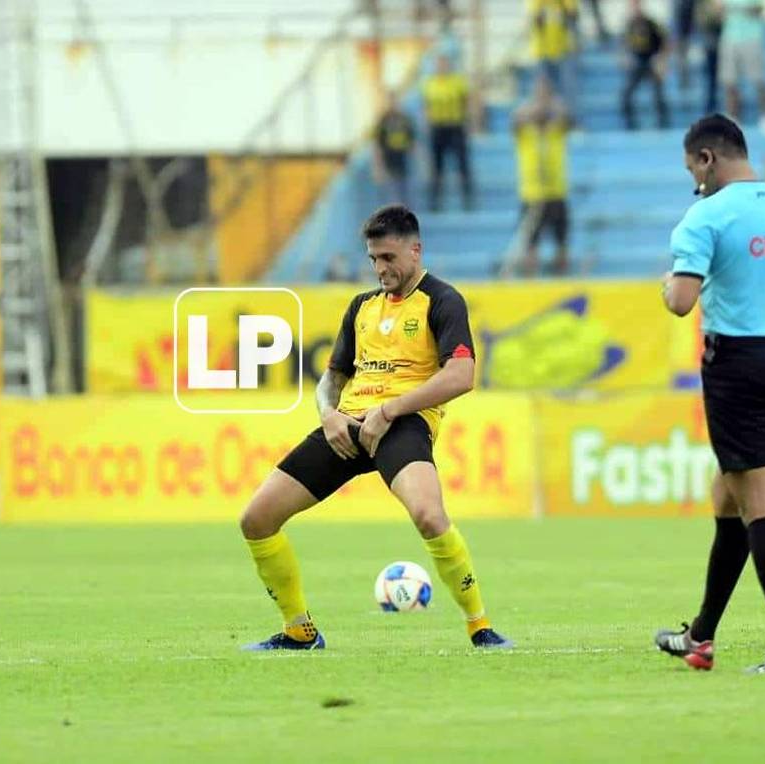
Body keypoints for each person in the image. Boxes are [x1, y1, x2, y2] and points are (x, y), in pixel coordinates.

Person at [239, 204, 513, 651]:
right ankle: (298, 630)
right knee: (256, 519)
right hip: (348, 426)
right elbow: (332, 378)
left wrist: (390, 411)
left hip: (403, 424)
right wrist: (328, 413)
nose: (380, 268)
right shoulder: (361, 307)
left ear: (415, 250)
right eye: (373, 259)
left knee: (429, 515)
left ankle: (479, 626)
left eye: (388, 258)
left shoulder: (443, 301)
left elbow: (461, 375)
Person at [655, 115, 765, 675]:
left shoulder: (706, 216)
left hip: (737, 364)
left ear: (707, 158)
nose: (693, 184)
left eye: (692, 171)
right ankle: (701, 637)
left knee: (757, 498)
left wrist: (666, 284)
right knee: (728, 494)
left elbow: (680, 301)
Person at [514, 74, 572, 276]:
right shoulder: (525, 130)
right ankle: (531, 280)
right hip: (532, 193)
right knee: (531, 245)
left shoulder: (556, 128)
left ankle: (561, 277)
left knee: (561, 242)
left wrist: (549, 103)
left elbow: (565, 116)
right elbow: (518, 117)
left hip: (556, 192)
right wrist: (535, 105)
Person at [421, 54, 475, 210]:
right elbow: (426, 106)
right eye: (439, 64)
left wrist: (469, 121)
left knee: (462, 164)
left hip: (455, 125)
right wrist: (426, 124)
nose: (442, 67)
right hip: (438, 127)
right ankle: (435, 202)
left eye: (444, 63)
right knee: (437, 167)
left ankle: (467, 199)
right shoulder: (430, 84)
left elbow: (467, 101)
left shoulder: (457, 82)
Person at [719, 0, 765, 132]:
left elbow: (760, 8)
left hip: (752, 36)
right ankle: (733, 118)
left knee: (759, 79)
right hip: (730, 36)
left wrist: (740, 9)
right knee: (730, 80)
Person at [620, 0, 670, 131]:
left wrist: (661, 60)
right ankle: (630, 126)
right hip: (638, 63)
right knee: (626, 95)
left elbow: (665, 43)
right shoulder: (629, 25)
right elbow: (624, 45)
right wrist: (624, 57)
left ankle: (663, 124)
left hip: (652, 61)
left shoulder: (651, 23)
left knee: (658, 95)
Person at [528, 0, 579, 121]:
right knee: (542, 90)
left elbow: (573, 15)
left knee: (568, 90)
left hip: (564, 48)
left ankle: (569, 122)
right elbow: (536, 17)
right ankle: (544, 123)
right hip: (542, 50)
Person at [373, 92, 417, 206]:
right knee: (391, 191)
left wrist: (421, 163)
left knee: (405, 190)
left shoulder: (405, 120)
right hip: (389, 159)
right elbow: (378, 145)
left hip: (403, 158)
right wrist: (378, 167)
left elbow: (413, 142)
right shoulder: (383, 120)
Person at [696, 0, 725, 114]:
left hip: (726, 43)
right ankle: (710, 107)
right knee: (711, 78)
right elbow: (702, 22)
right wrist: (717, 14)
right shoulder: (703, 4)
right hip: (711, 45)